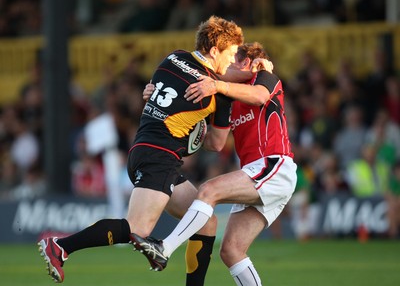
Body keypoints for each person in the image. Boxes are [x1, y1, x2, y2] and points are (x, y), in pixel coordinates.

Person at [37, 15, 244, 284]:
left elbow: (154, 94)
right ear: (215, 50)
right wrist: (201, 131)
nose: (231, 61)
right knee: (138, 228)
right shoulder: (218, 93)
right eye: (230, 54)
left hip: (144, 148)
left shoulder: (173, 58)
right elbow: (216, 144)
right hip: (160, 155)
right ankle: (61, 246)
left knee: (205, 221)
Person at [135, 42, 297, 285]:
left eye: (233, 60)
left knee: (208, 191)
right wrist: (156, 95)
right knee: (231, 250)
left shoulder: (265, 78)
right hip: (255, 174)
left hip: (274, 165)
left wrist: (219, 84)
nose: (226, 65)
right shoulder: (225, 97)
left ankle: (165, 248)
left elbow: (260, 96)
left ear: (249, 62)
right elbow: (214, 142)